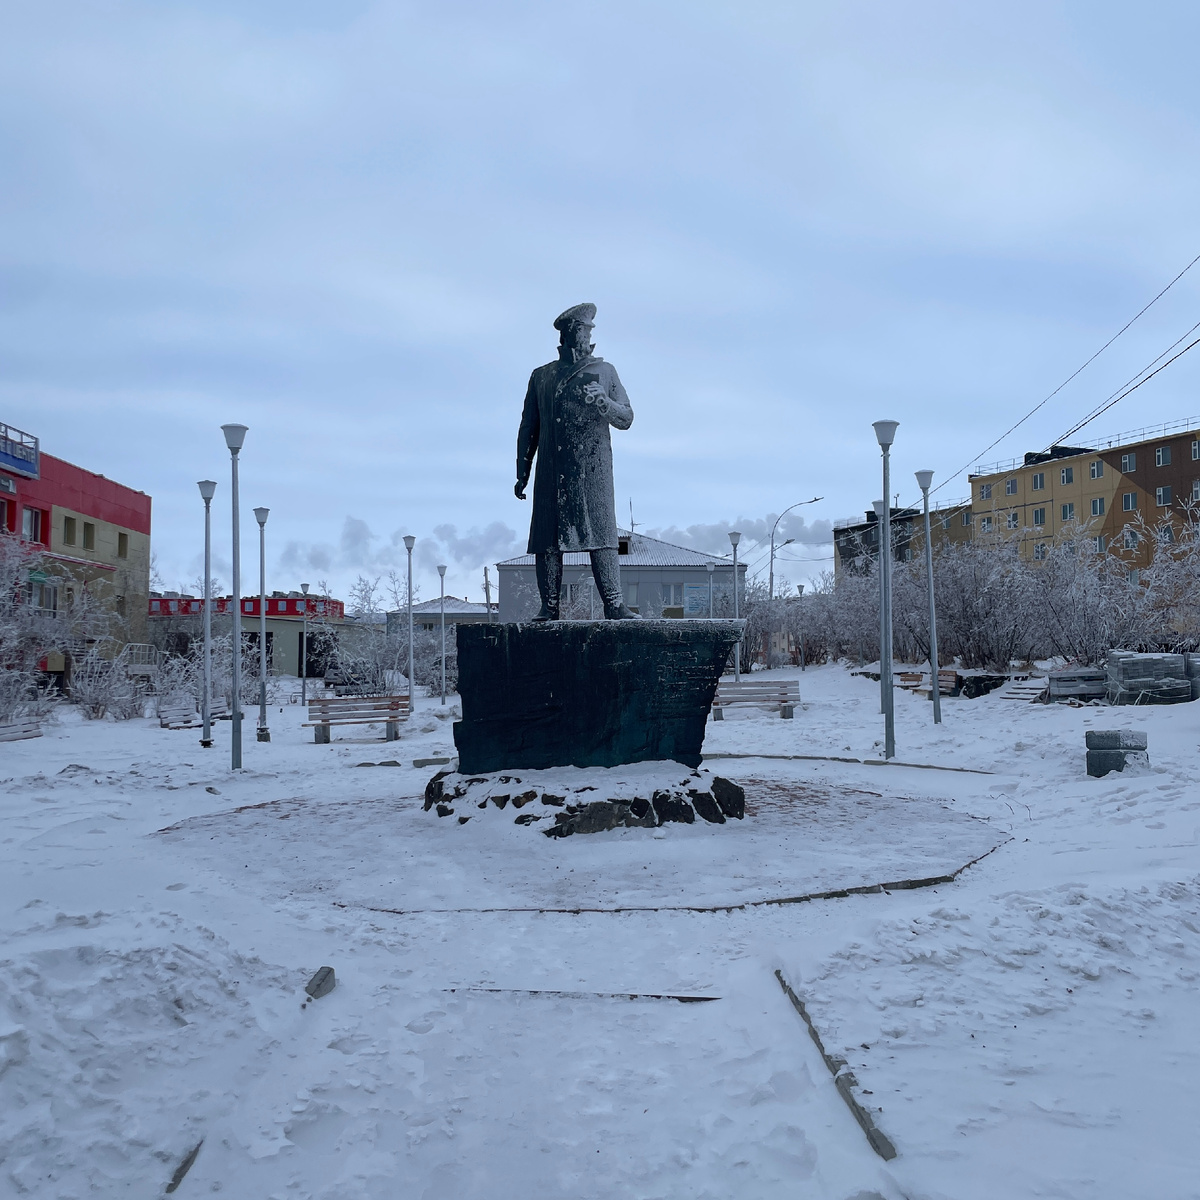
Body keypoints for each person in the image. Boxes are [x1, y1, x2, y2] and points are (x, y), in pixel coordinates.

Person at [515, 303, 638, 621]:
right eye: (578, 331)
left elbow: (626, 418)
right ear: (567, 335)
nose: (582, 336)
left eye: (585, 331)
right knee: (547, 540)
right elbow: (529, 426)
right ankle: (550, 606)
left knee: (602, 536)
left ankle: (614, 604)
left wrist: (605, 402)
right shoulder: (542, 376)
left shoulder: (604, 371)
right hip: (552, 471)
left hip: (593, 470)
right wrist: (522, 471)